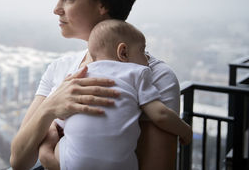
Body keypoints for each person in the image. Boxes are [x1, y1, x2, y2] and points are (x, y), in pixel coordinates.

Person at [10, 0, 181, 170]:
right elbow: (18, 162)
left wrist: (51, 162)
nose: (56, 9)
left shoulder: (157, 77)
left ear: (103, 4)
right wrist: (49, 108)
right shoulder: (59, 68)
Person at [38, 19, 192, 170]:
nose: (147, 59)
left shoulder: (78, 76)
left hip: (73, 164)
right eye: (142, 51)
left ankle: (47, 150)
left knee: (62, 137)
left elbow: (63, 115)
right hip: (119, 166)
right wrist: (185, 131)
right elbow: (160, 115)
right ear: (123, 52)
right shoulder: (137, 73)